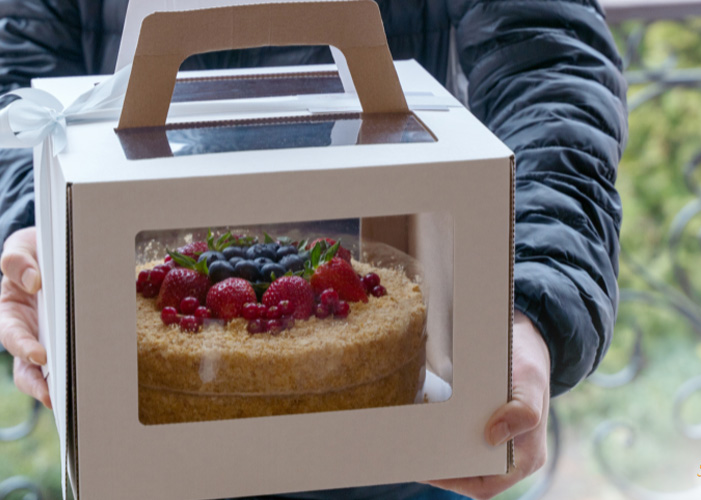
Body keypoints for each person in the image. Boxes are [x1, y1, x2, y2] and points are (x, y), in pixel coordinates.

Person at [0, 0, 626, 499]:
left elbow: (550, 71)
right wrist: (37, 230)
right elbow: (16, 72)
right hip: (151, 453)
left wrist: (525, 304)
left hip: (409, 453)